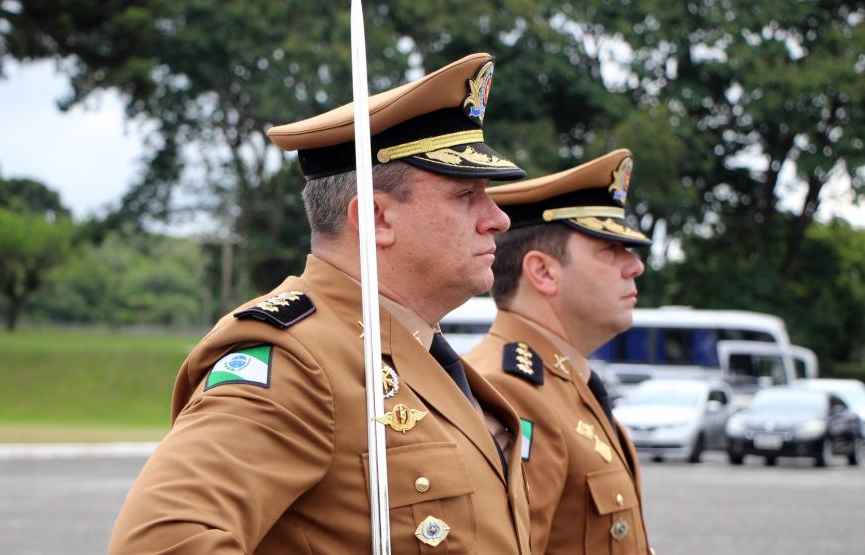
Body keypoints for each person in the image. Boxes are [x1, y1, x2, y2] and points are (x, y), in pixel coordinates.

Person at [108, 53, 533, 554]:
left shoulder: (414, 352)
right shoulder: (299, 360)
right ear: (376, 218)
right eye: (467, 196)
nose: (498, 219)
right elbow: (159, 543)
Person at [464, 149, 654, 555]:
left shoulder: (563, 382)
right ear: (543, 272)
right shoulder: (510, 391)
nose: (634, 266)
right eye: (611, 250)